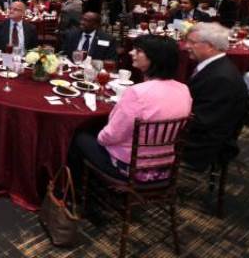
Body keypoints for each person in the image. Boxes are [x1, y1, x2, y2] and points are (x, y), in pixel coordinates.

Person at [69, 35, 192, 181]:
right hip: (165, 165)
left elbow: (111, 135)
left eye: (138, 51)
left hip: (131, 167)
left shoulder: (137, 93)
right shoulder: (184, 89)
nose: (131, 53)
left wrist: (99, 137)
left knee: (78, 135)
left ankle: (73, 186)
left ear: (154, 58)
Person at [183, 23, 249, 171]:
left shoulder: (221, 78)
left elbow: (204, 121)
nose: (186, 46)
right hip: (201, 131)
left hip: (203, 144)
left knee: (142, 135)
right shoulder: (215, 66)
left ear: (210, 46)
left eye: (192, 42)